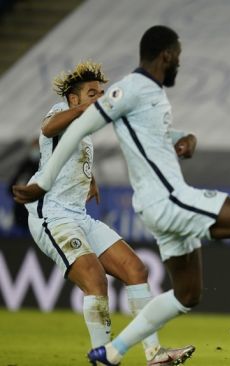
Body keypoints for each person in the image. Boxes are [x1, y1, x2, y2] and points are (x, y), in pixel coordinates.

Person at [12, 25, 230, 366]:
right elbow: (60, 129)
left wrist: (185, 137)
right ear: (166, 56)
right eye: (178, 57)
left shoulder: (150, 96)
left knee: (176, 290)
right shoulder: (113, 95)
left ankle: (122, 353)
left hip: (104, 212)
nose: (99, 98)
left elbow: (149, 135)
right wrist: (43, 182)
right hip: (146, 202)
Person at [22, 60, 193, 365]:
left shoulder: (84, 129)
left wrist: (90, 179)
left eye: (101, 92)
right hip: (53, 217)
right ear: (73, 99)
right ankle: (104, 360)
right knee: (95, 281)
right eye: (92, 93)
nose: (99, 97)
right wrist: (84, 109)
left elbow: (71, 154)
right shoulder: (60, 111)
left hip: (79, 216)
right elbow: (47, 129)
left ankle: (155, 354)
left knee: (136, 270)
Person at [7, 137, 39, 235]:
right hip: (20, 212)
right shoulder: (25, 164)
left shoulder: (45, 166)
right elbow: (11, 187)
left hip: (36, 215)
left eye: (37, 147)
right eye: (33, 147)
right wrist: (19, 194)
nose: (35, 150)